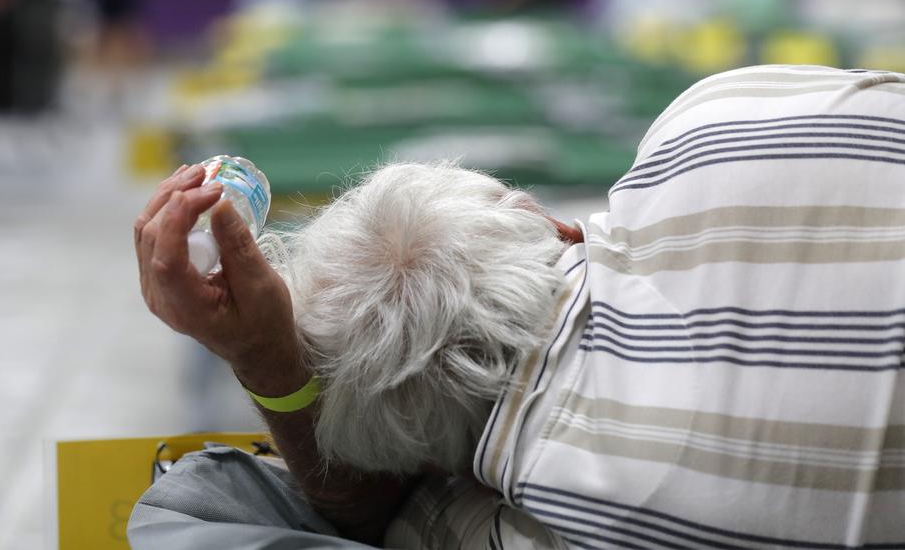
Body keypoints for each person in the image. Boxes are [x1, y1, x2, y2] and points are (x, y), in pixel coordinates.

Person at [131, 64, 905, 549]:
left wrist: (266, 360)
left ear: (436, 462)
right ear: (551, 222)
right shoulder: (714, 120)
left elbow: (357, 512)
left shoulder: (554, 526)